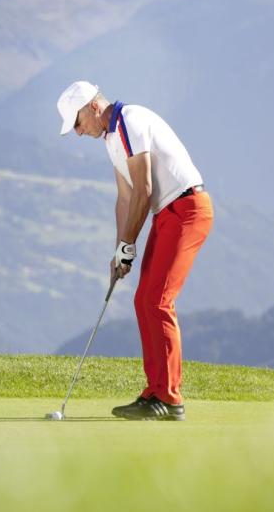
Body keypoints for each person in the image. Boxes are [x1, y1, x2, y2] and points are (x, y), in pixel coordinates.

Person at [57, 81, 213, 421]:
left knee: (157, 300)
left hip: (188, 209)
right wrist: (119, 251)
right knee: (144, 300)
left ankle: (170, 399)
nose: (79, 132)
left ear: (93, 107)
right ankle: (155, 391)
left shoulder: (129, 120)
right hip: (168, 213)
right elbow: (125, 199)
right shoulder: (112, 139)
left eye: (78, 123)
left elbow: (143, 189)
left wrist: (129, 244)